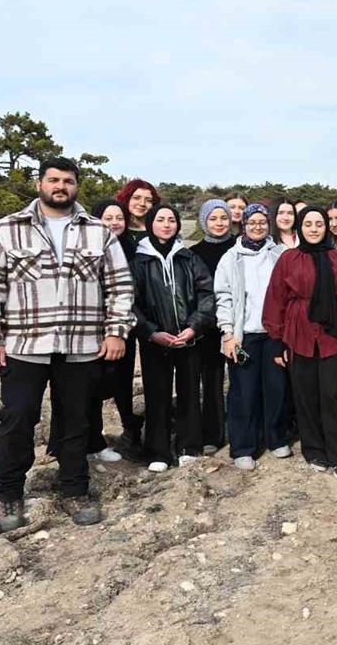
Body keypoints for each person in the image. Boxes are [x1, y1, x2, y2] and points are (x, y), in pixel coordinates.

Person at [0, 158, 134, 532]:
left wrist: (115, 331)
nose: (61, 187)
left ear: (77, 186)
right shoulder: (8, 229)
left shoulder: (97, 232)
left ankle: (75, 489)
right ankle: (8, 492)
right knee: (18, 417)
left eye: (68, 181)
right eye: (54, 180)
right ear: (40, 183)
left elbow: (120, 286)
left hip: (81, 345)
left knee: (76, 421)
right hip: (25, 345)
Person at [263, 207, 337, 479]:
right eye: (308, 223)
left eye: (319, 223)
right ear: (300, 227)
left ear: (327, 228)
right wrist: (277, 341)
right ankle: (315, 450)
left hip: (331, 335)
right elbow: (276, 299)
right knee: (305, 396)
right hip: (298, 333)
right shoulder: (288, 259)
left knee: (332, 396)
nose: (314, 229)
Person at [131, 204, 216, 474]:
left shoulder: (188, 258)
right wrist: (151, 332)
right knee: (157, 394)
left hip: (188, 338)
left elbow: (207, 294)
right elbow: (130, 303)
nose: (166, 225)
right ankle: (158, 450)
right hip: (155, 340)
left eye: (171, 220)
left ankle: (188, 445)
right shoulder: (139, 261)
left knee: (190, 390)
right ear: (150, 224)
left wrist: (194, 327)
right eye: (160, 220)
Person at [214, 204, 291, 470]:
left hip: (273, 335)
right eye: (252, 222)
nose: (257, 227)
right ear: (243, 225)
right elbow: (223, 296)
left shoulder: (280, 255)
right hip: (243, 335)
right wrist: (227, 332)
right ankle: (243, 447)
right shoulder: (231, 258)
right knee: (243, 392)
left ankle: (276, 438)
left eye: (262, 222)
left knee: (276, 389)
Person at [82, 199, 142, 461]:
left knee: (122, 382)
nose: (115, 222)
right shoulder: (87, 248)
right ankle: (94, 442)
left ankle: (130, 433)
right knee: (92, 386)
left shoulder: (132, 247)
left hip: (125, 326)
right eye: (109, 217)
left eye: (119, 217)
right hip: (92, 328)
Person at [189, 199, 238, 456]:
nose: (219, 223)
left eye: (223, 218)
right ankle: (213, 434)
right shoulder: (194, 252)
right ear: (204, 222)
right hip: (208, 326)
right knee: (211, 381)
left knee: (241, 380)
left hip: (238, 324)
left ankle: (243, 430)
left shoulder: (240, 247)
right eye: (213, 219)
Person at [114, 178, 160, 250]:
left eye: (148, 200)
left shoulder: (159, 231)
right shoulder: (115, 228)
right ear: (127, 199)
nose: (142, 204)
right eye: (136, 198)